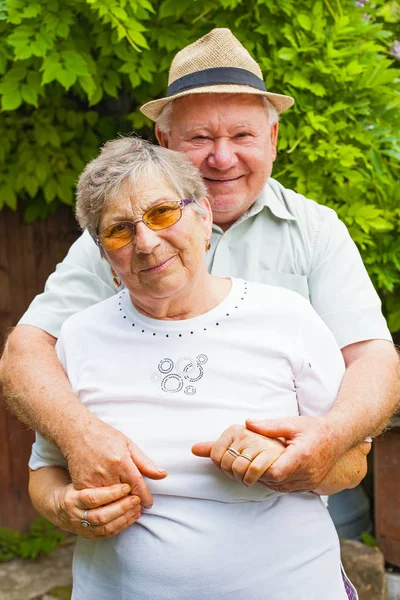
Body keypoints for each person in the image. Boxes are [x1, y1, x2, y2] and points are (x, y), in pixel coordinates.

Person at [1, 29, 398, 505]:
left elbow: (373, 359)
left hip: (285, 504)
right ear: (165, 141)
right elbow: (26, 352)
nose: (222, 157)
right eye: (201, 137)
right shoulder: (125, 236)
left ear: (272, 138)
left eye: (243, 135)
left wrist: (329, 437)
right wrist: (80, 433)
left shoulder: (315, 230)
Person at [29, 137, 367, 599]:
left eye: (163, 213)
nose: (146, 242)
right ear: (104, 255)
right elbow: (44, 472)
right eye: (119, 231)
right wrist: (66, 507)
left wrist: (286, 461)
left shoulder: (287, 317)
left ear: (204, 216)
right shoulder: (79, 337)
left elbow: (353, 460)